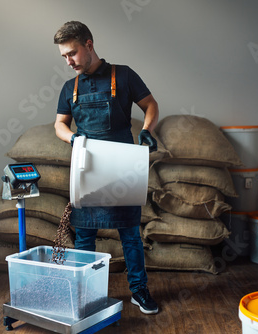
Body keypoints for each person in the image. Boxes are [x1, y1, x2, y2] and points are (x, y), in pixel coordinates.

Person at [53, 21, 159, 315]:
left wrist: (147, 129)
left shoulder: (123, 75)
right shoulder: (69, 88)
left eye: (72, 53)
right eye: (64, 56)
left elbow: (150, 104)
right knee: (85, 235)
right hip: (87, 166)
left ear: (89, 44)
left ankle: (139, 292)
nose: (68, 61)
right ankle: (86, 294)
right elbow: (59, 125)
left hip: (122, 165)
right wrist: (72, 138)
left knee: (130, 234)